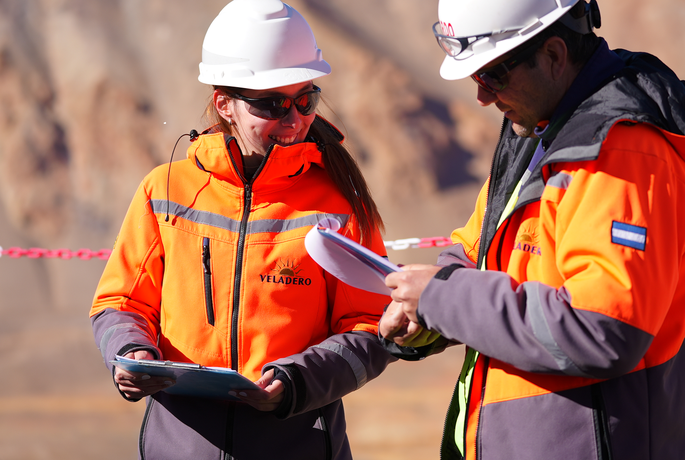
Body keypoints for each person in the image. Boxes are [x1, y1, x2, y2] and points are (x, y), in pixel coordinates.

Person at [379, 0, 685, 459]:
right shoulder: (541, 127)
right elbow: (481, 245)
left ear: (555, 55)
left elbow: (605, 328)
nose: (481, 95)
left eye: (493, 75)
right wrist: (429, 310)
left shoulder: (620, 151)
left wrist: (442, 297)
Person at [89, 1, 395, 458]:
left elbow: (373, 327)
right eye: (272, 104)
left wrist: (295, 382)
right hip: (179, 445)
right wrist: (131, 353)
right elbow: (120, 302)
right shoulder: (165, 189)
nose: (294, 120)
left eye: (305, 99)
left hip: (298, 442)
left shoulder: (339, 205)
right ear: (224, 104)